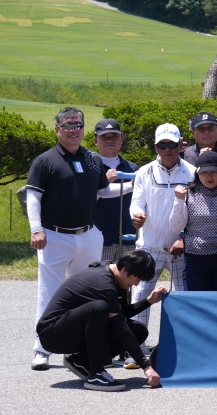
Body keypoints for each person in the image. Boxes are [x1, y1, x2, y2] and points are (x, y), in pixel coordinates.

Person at [26, 108, 132, 370]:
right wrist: (36, 229)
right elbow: (33, 197)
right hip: (54, 236)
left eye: (78, 125)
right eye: (68, 125)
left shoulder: (92, 159)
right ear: (57, 129)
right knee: (49, 293)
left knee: (87, 295)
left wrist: (139, 184)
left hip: (88, 235)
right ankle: (42, 349)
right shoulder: (45, 160)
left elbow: (104, 192)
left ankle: (82, 347)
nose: (74, 129)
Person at [36, 251, 167, 391]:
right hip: (52, 335)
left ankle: (81, 361)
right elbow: (120, 327)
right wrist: (146, 366)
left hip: (70, 328)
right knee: (98, 308)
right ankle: (96, 374)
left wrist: (148, 301)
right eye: (137, 279)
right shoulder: (103, 283)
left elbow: (121, 314)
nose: (136, 284)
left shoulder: (115, 276)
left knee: (138, 330)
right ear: (124, 270)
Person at [128, 123, 194, 331]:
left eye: (172, 144)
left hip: (179, 249)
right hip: (149, 247)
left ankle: (184, 346)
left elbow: (195, 211)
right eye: (162, 145)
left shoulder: (192, 172)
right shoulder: (144, 172)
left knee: (185, 297)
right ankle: (137, 347)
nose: (168, 149)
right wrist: (136, 215)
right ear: (155, 146)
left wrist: (183, 237)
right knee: (140, 297)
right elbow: (137, 202)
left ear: (181, 145)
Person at [170, 151, 217, 291]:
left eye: (214, 172)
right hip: (195, 258)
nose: (209, 176)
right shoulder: (187, 194)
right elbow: (176, 226)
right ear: (197, 173)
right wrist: (178, 201)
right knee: (196, 304)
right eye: (204, 173)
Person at [91, 119, 138, 264]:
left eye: (114, 136)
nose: (110, 140)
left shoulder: (132, 168)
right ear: (95, 140)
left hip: (128, 238)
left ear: (122, 139)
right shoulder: (90, 167)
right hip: (99, 238)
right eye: (104, 137)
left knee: (126, 283)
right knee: (99, 281)